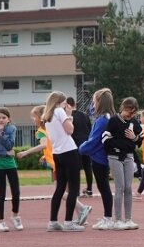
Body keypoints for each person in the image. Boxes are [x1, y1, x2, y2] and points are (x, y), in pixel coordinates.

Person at [17, 105, 91, 226]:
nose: (32, 119)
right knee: (67, 190)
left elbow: (44, 145)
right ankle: (81, 214)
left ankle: (82, 208)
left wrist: (26, 152)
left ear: (40, 117)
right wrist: (45, 155)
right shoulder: (51, 125)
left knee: (62, 192)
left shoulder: (41, 131)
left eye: (33, 117)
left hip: (58, 162)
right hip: (60, 157)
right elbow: (52, 143)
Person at [42, 91, 85, 232]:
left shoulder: (46, 116)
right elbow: (70, 130)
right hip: (69, 150)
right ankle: (68, 222)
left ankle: (53, 221)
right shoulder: (60, 111)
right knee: (73, 187)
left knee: (60, 188)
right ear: (61, 102)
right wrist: (69, 115)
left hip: (57, 153)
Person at [102, 97, 143, 230]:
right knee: (120, 187)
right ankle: (118, 219)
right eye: (127, 111)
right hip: (114, 156)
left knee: (128, 188)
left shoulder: (134, 123)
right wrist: (122, 145)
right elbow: (105, 139)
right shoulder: (114, 120)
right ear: (122, 108)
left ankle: (128, 219)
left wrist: (134, 137)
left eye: (132, 113)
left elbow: (139, 141)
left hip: (129, 157)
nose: (129, 115)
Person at [78, 88, 116, 230]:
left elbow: (94, 141)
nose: (92, 104)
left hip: (100, 158)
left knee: (104, 187)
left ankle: (108, 218)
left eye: (94, 101)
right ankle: (107, 217)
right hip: (102, 157)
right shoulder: (108, 117)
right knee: (104, 187)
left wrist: (81, 149)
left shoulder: (101, 120)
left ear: (100, 102)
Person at [0, 107, 23, 232]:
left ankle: (15, 216)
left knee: (16, 191)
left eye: (3, 117)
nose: (1, 120)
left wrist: (2, 135)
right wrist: (6, 153)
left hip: (10, 164)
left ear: (8, 119)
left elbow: (10, 145)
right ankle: (1, 222)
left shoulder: (12, 128)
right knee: (1, 193)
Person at [67, 96, 94, 197]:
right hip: (87, 144)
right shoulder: (85, 115)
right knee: (88, 167)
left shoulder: (69, 117)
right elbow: (90, 129)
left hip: (75, 145)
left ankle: (76, 191)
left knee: (76, 168)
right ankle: (89, 189)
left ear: (68, 105)